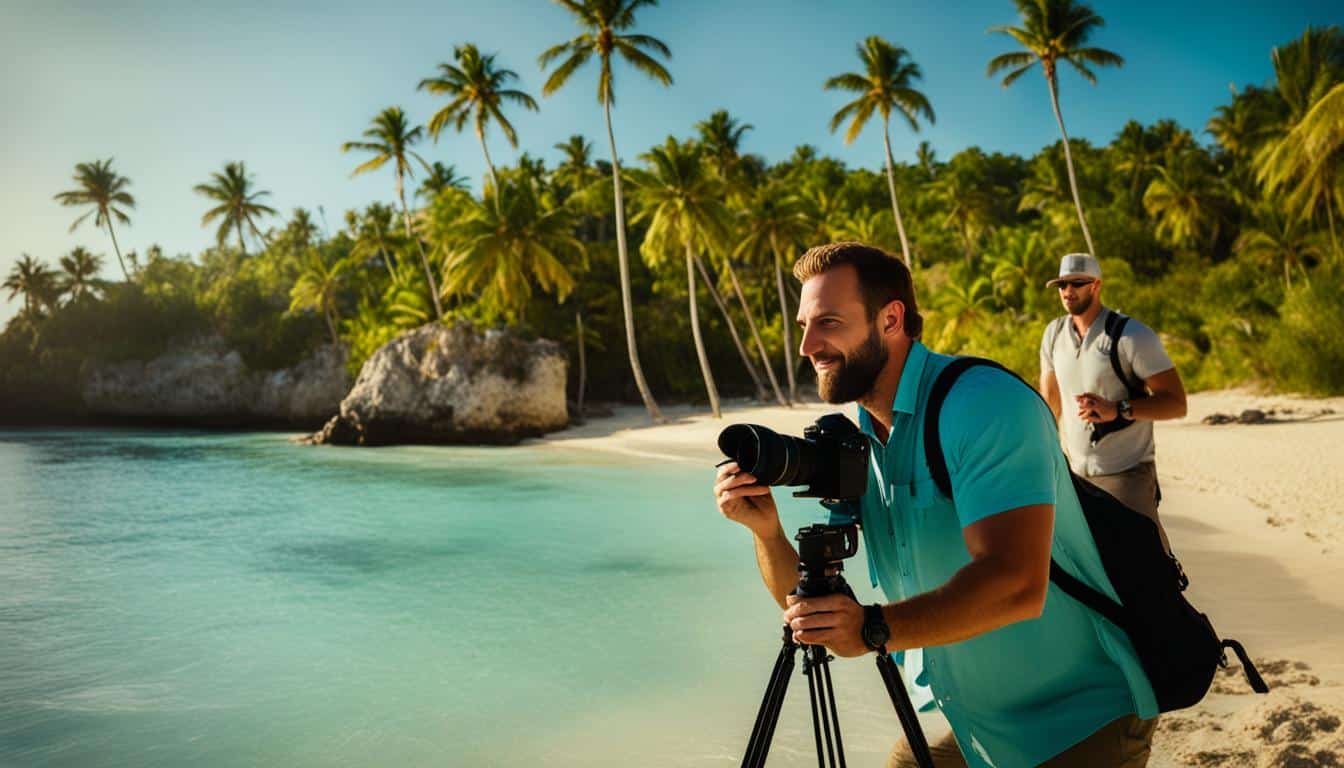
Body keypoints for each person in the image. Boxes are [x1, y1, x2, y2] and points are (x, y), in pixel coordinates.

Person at [713, 242, 1158, 767]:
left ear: (891, 319)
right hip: (974, 724)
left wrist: (873, 627)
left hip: (1076, 720)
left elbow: (1016, 585)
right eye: (804, 324)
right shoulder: (861, 441)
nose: (809, 345)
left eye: (829, 322)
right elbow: (822, 619)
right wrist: (767, 533)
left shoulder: (983, 406)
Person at [1038, 253, 1187, 551]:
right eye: (1062, 284)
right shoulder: (1053, 335)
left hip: (1128, 474)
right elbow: (1049, 405)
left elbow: (1176, 403)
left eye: (1077, 283)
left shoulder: (1132, 336)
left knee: (1145, 571)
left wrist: (1118, 409)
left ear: (1096, 286)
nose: (1068, 291)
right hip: (1076, 477)